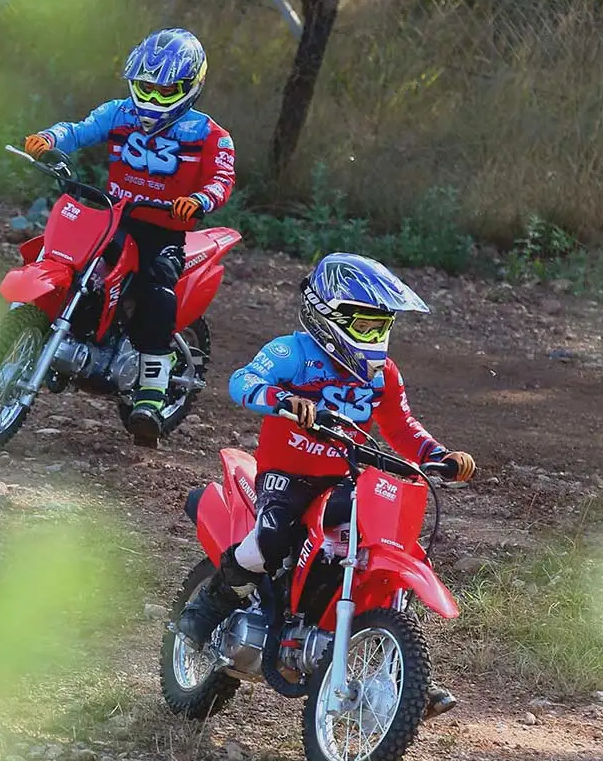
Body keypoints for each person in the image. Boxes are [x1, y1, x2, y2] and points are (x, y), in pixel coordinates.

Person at [178, 252, 476, 717]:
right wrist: (283, 399)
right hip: (286, 475)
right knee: (271, 541)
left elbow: (401, 427)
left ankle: (403, 674)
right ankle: (206, 609)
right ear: (327, 314)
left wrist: (438, 457)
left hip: (345, 477)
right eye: (365, 325)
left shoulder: (383, 375)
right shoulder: (293, 352)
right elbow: (242, 381)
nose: (376, 337)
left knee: (395, 547)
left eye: (382, 327)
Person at [24, 27, 235, 447]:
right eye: (144, 88)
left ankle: (153, 392)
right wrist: (51, 138)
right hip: (116, 215)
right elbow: (81, 129)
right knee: (74, 256)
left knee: (158, 285)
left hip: (164, 227)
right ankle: (64, 330)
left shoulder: (209, 135)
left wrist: (199, 200)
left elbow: (222, 178)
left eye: (165, 91)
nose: (152, 100)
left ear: (189, 88)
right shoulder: (118, 113)